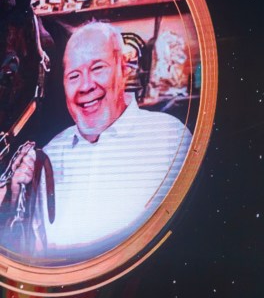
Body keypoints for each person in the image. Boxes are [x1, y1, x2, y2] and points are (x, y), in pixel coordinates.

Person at [8, 21, 191, 262]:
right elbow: (36, 255)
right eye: (74, 75)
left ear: (123, 70)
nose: (85, 85)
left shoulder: (170, 139)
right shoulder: (50, 155)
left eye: (97, 68)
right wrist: (17, 200)